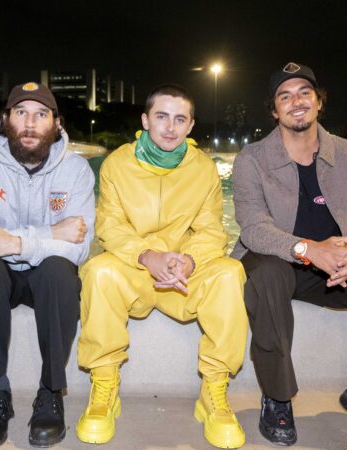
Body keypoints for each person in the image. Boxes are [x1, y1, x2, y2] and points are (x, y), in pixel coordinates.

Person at [231, 62, 347, 450]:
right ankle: (278, 398)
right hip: (279, 259)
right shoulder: (252, 159)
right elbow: (253, 227)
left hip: (335, 268)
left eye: (304, 93)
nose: (295, 102)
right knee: (265, 276)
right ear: (273, 110)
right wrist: (310, 250)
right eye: (285, 96)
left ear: (319, 102)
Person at [75, 84, 249, 449]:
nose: (170, 127)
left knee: (230, 273)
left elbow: (211, 228)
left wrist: (188, 259)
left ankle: (214, 392)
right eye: (162, 117)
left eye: (180, 119)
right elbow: (109, 224)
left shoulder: (203, 169)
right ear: (145, 120)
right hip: (136, 270)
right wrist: (146, 256)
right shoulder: (117, 165)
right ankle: (105, 386)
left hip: (182, 276)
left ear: (190, 126)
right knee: (98, 271)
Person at [0, 82, 95, 449]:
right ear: (5, 120)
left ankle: (50, 392)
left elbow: (76, 249)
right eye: (21, 113)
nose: (30, 123)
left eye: (40, 114)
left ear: (57, 124)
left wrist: (13, 242)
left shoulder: (76, 171)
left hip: (45, 280)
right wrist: (50, 233)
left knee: (58, 272)